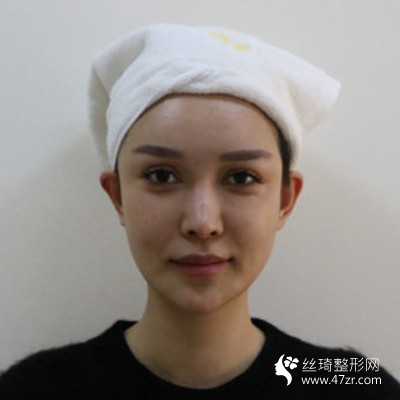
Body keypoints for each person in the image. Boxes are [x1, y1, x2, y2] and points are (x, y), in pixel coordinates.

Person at [0, 23, 399, 399]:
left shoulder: (352, 385)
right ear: (118, 195)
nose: (203, 223)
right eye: (161, 175)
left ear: (284, 200)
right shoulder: (35, 389)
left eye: (241, 178)